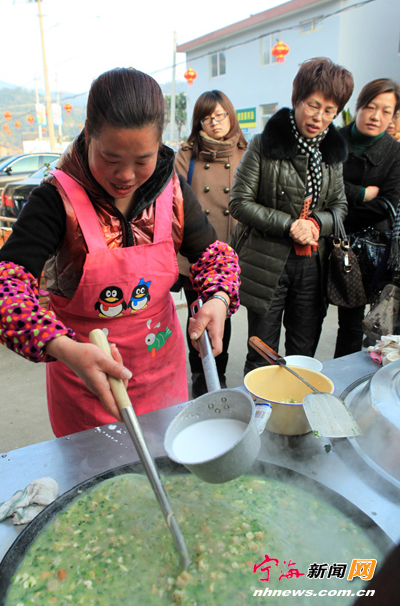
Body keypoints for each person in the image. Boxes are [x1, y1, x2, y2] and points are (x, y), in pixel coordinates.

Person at [0, 68, 240, 438]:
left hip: (162, 375)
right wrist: (63, 348)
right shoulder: (55, 198)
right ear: (88, 133)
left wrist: (219, 299)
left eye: (142, 160)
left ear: (160, 144)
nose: (125, 175)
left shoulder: (172, 191)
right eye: (110, 158)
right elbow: (6, 286)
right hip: (86, 384)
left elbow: (213, 254)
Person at [229, 57, 354, 373]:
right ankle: (260, 417)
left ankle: (297, 419)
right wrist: (290, 225)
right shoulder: (262, 144)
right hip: (268, 264)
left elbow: (339, 207)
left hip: (313, 265)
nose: (319, 117)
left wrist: (315, 223)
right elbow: (240, 203)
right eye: (313, 105)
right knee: (262, 355)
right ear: (297, 99)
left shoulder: (332, 155)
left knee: (303, 355)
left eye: (329, 111)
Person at [175, 90, 247, 396]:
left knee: (222, 310)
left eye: (220, 115)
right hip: (197, 254)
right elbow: (173, 203)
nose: (215, 123)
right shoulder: (186, 154)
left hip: (232, 251)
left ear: (230, 116)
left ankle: (217, 372)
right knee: (198, 314)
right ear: (198, 122)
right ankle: (200, 376)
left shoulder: (245, 152)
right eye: (207, 117)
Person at [334, 78, 400, 357]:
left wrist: (341, 204)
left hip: (370, 251)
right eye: (371, 107)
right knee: (322, 322)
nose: (376, 116)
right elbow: (320, 192)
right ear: (358, 106)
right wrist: (361, 193)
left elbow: (389, 202)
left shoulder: (395, 152)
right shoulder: (333, 140)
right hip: (328, 242)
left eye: (386, 111)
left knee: (363, 326)